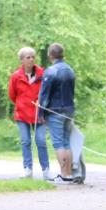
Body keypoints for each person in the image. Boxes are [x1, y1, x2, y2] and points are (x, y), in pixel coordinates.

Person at [8, 47, 50, 179]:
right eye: (28, 57)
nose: (31, 59)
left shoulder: (43, 74)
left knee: (41, 140)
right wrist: (22, 104)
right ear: (21, 60)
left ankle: (46, 170)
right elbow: (12, 95)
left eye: (33, 57)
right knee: (25, 141)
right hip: (22, 114)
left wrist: (42, 104)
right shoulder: (16, 76)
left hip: (40, 114)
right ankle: (27, 169)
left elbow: (48, 93)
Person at [37, 43, 76, 184]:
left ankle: (64, 175)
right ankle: (69, 175)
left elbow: (44, 95)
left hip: (55, 111)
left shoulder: (51, 71)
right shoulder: (70, 70)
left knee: (58, 143)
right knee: (66, 142)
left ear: (50, 55)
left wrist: (41, 113)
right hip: (69, 110)